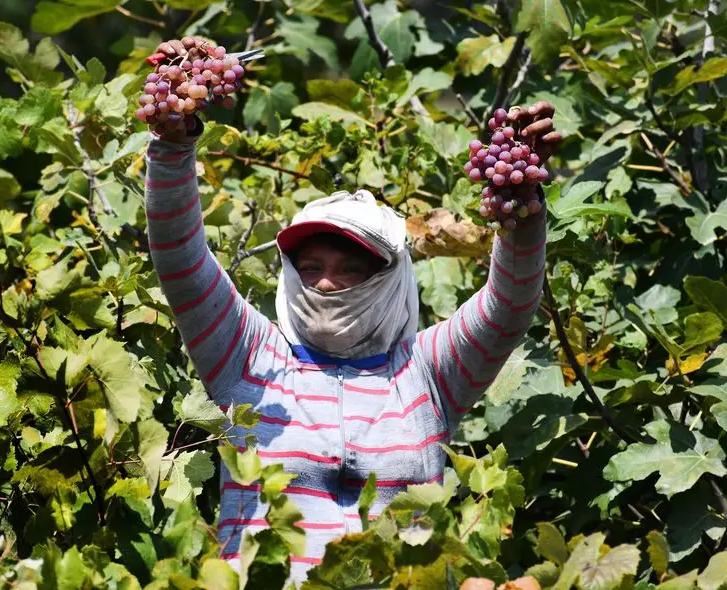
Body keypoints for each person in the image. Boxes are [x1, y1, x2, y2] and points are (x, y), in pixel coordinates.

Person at [144, 38, 562, 586]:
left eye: (349, 269)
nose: (323, 281)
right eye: (309, 265)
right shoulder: (248, 359)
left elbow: (507, 308)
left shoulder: (425, 373)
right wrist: (173, 145)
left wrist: (521, 213)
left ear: (389, 280)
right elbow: (180, 255)